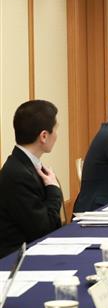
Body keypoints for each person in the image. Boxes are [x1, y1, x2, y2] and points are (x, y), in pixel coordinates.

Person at [0, 100, 63, 258]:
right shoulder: (18, 174)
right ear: (44, 136)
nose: (57, 135)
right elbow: (44, 230)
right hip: (17, 259)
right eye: (56, 130)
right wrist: (53, 190)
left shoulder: (25, 165)